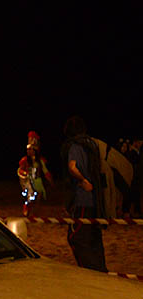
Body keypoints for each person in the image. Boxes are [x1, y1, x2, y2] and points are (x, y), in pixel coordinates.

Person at [61, 115, 107, 271]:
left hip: (83, 200)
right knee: (94, 238)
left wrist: (83, 180)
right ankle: (101, 269)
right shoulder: (92, 146)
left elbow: (72, 167)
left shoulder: (75, 146)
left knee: (76, 237)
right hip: (96, 201)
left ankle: (89, 270)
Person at [17, 132, 53, 216]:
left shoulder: (40, 161)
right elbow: (20, 170)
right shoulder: (24, 160)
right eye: (28, 150)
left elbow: (45, 171)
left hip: (37, 182)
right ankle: (27, 209)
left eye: (30, 149)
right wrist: (24, 174)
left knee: (37, 199)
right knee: (28, 197)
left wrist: (50, 180)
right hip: (27, 182)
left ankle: (35, 214)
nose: (28, 151)